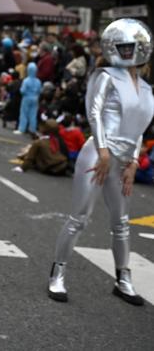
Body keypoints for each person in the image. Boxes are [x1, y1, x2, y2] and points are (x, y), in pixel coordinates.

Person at [48, 18, 154, 306]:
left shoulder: (145, 88)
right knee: (79, 218)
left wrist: (133, 161)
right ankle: (57, 274)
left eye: (133, 47)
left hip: (122, 160)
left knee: (121, 223)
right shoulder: (105, 76)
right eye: (123, 47)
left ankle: (124, 279)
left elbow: (140, 126)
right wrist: (104, 152)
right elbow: (94, 114)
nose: (129, 52)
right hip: (97, 155)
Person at [14, 62, 41, 135]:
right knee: (33, 115)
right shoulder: (38, 81)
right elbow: (39, 91)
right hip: (35, 99)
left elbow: (22, 91)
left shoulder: (26, 80)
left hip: (26, 98)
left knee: (24, 114)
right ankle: (32, 130)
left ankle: (22, 129)